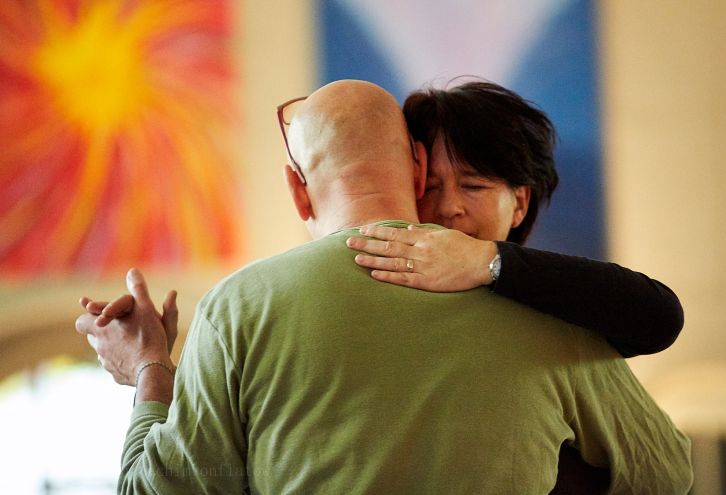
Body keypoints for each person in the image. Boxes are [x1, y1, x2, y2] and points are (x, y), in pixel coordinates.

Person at [76, 80, 692, 493]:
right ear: (417, 170)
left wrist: (151, 368)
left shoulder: (240, 308)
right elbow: (665, 471)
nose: (449, 212)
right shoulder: (551, 321)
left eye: (475, 185)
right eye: (439, 186)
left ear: (297, 189)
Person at [347, 81, 683, 359]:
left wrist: (486, 261)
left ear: (520, 203)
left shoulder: (549, 303)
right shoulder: (376, 285)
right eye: (429, 187)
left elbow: (660, 318)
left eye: (473, 185)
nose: (449, 207)